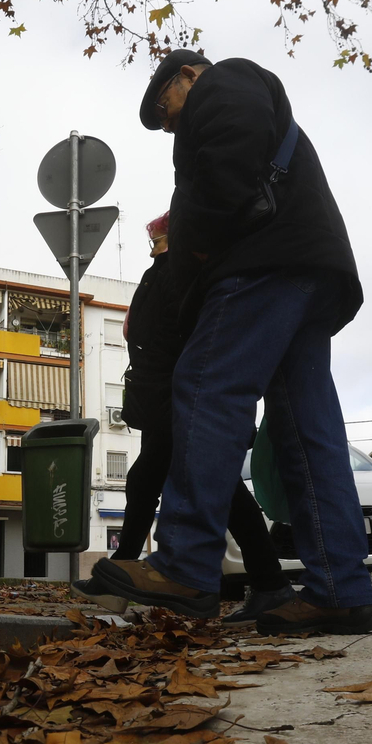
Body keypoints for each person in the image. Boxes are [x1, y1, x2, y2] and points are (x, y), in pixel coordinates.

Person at [89, 50, 372, 636]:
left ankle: (185, 562)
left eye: (164, 106)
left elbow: (225, 169)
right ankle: (340, 589)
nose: (167, 122)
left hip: (262, 265)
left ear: (189, 75)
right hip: (306, 267)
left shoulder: (226, 80)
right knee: (307, 428)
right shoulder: (244, 96)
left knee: (207, 386)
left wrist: (195, 248)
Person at [69, 213, 296, 624]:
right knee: (211, 488)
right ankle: (270, 585)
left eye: (158, 238)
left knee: (154, 481)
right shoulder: (172, 274)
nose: (155, 243)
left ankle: (134, 572)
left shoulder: (184, 274)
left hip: (185, 400)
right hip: (172, 400)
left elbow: (183, 336)